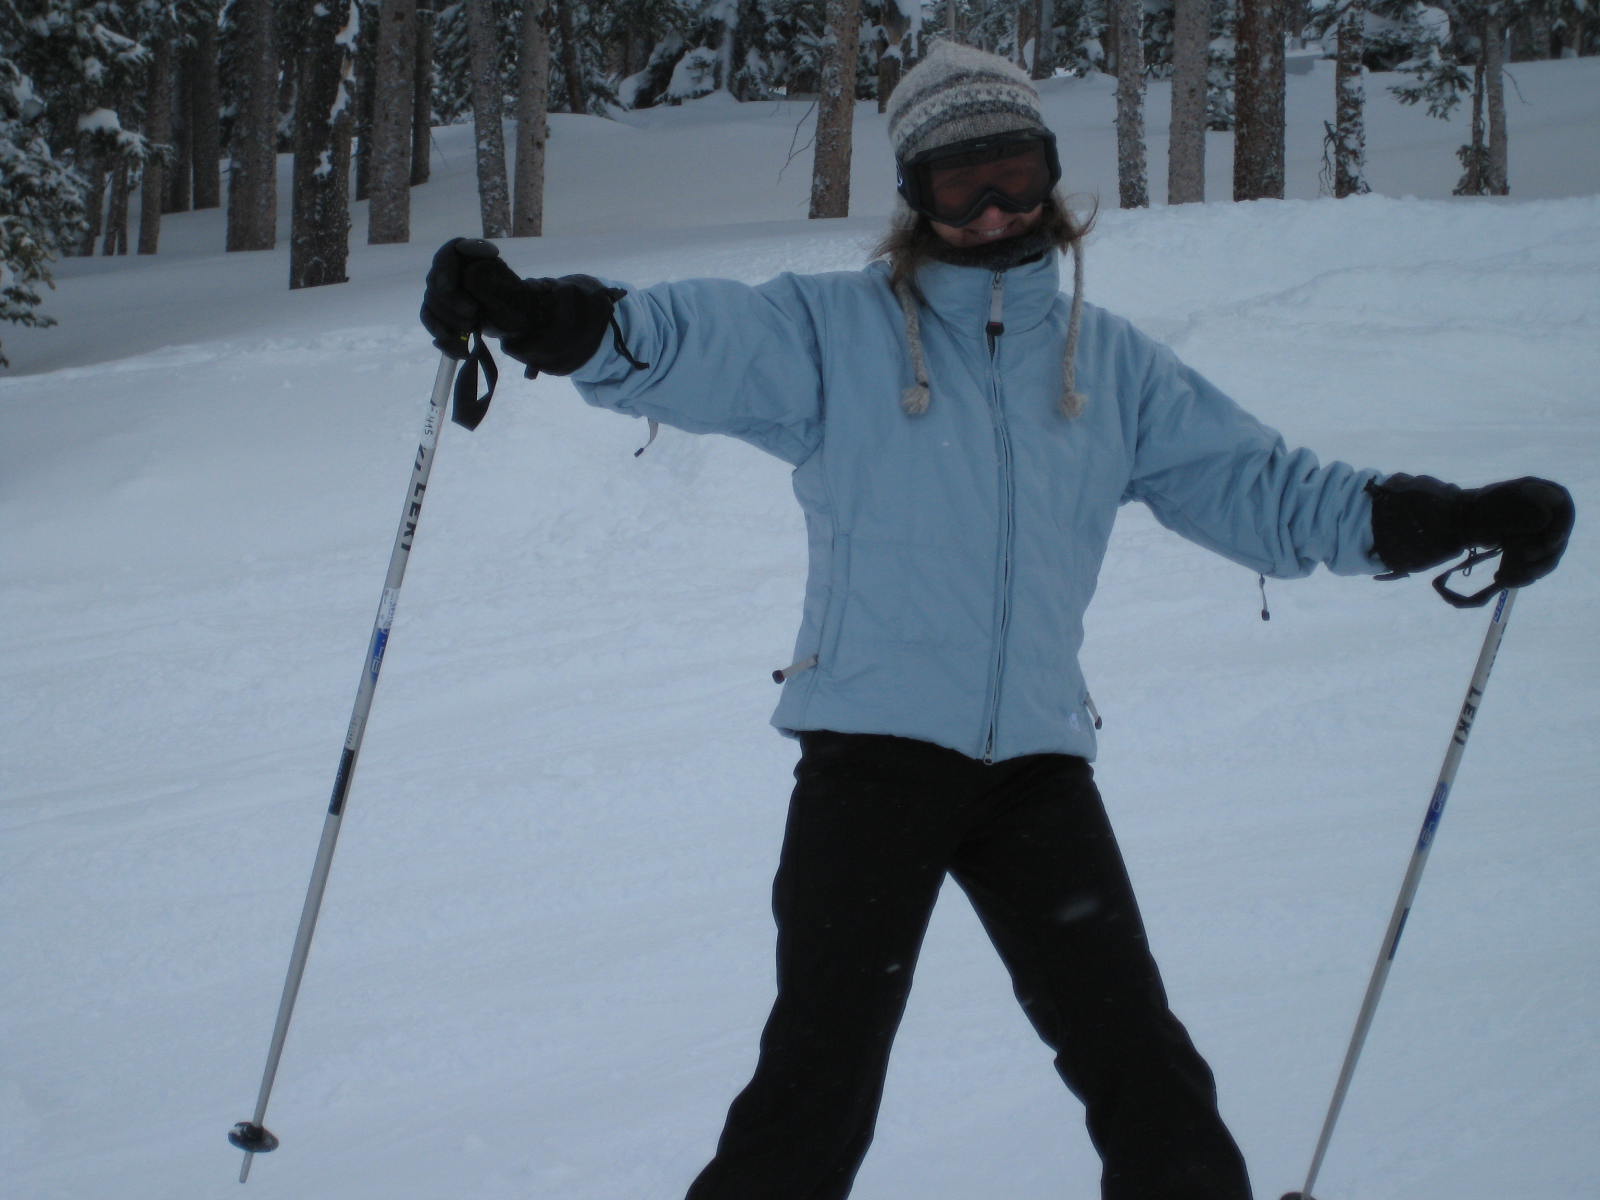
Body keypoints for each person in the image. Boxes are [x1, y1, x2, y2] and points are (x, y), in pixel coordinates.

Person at [420, 41, 1573, 1200]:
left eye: (1013, 173)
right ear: (913, 195)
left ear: (1051, 172)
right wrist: (549, 317)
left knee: (1144, 1072)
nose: (991, 209)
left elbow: (1265, 493)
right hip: (872, 760)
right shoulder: (833, 333)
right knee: (816, 1089)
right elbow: (692, 342)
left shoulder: (1111, 367)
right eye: (958, 183)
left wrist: (1449, 515)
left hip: (1034, 767)